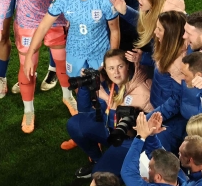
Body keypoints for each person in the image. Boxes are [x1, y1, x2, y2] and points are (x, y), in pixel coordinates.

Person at [25, 0, 120, 121]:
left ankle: (104, 125)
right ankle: (86, 124)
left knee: (100, 90)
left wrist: (112, 58)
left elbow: (115, 30)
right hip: (75, 51)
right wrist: (28, 55)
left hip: (99, 51)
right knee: (80, 90)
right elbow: (43, 27)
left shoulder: (104, 0)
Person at [64, 49, 152, 177]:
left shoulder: (143, 90)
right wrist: (85, 85)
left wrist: (107, 99)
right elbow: (84, 111)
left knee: (99, 175)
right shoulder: (107, 83)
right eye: (111, 68)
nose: (115, 73)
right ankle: (97, 160)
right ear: (105, 69)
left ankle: (131, 167)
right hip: (109, 130)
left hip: (129, 140)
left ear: (128, 66)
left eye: (120, 66)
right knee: (75, 124)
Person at [133, 10, 188, 150]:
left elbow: (176, 102)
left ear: (170, 34)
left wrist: (150, 118)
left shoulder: (179, 63)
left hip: (170, 119)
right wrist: (143, 58)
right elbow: (159, 63)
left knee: (157, 151)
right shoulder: (167, 46)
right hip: (160, 108)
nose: (155, 32)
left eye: (159, 29)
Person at [110, 0, 186, 59]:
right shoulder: (158, 11)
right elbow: (145, 22)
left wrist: (142, 57)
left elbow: (164, 60)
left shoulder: (168, 24)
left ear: (155, 1)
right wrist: (125, 10)